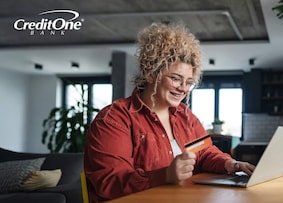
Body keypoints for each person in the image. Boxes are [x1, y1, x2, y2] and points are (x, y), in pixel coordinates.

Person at [83, 22, 255, 202]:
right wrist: (165, 175)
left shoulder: (186, 117)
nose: (183, 89)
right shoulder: (113, 119)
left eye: (189, 82)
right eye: (176, 79)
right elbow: (110, 182)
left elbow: (205, 153)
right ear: (150, 73)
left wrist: (231, 164)